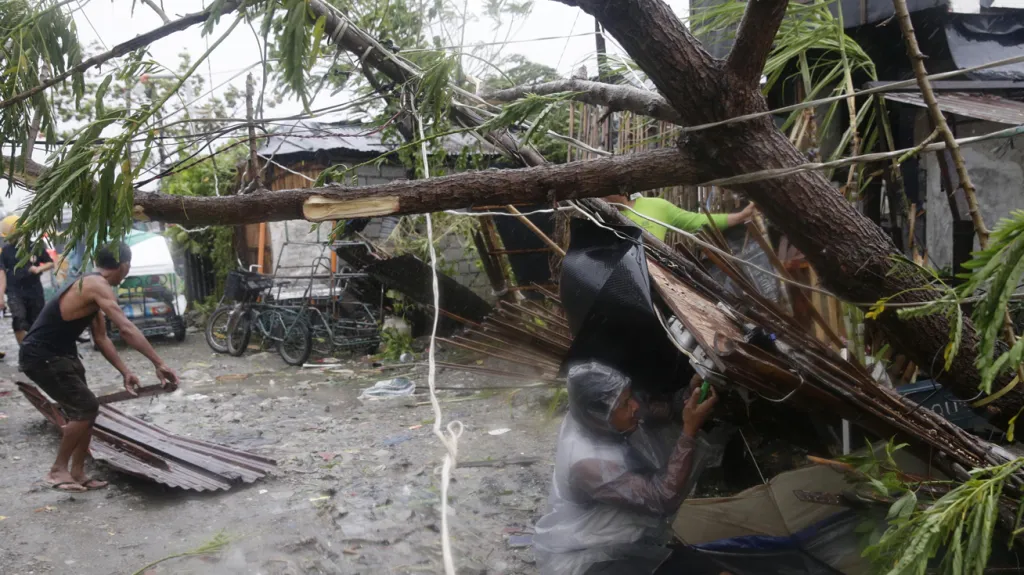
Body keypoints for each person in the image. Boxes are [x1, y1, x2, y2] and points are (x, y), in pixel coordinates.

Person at [19, 243, 179, 492]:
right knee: (86, 407)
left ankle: (78, 472)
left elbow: (102, 338)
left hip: (61, 354)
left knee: (85, 411)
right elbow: (126, 328)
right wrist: (159, 363)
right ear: (124, 265)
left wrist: (125, 371)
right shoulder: (96, 285)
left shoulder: (91, 287)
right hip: (41, 355)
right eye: (128, 267)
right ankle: (57, 471)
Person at [533, 362, 719, 575]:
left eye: (629, 397)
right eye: (624, 403)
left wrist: (689, 393)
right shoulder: (587, 465)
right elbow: (661, 498)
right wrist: (688, 431)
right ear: (597, 415)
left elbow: (654, 412)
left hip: (623, 542)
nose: (635, 406)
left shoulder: (599, 417)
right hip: (586, 556)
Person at [603, 193, 755, 241]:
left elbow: (698, 221)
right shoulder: (597, 217)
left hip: (655, 284)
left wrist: (741, 216)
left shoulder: (657, 206)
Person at [0, 216, 55, 344]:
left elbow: (50, 263)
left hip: (35, 291)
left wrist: (38, 269)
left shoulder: (35, 247)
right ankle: (24, 352)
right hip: (14, 292)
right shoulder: (6, 251)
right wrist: (1, 296)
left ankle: (36, 350)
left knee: (36, 323)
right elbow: (1, 272)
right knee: (18, 319)